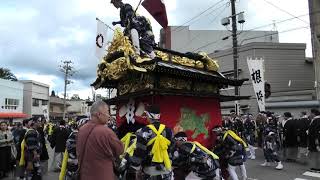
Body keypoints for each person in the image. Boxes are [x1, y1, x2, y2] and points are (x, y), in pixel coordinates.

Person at [77, 101, 124, 180]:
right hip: (102, 175)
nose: (108, 116)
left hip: (84, 175)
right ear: (99, 115)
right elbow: (120, 150)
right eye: (107, 113)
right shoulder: (106, 132)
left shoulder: (81, 130)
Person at [129, 105, 174, 180]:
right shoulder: (169, 131)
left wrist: (135, 166)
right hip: (167, 170)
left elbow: (139, 151)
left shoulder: (144, 131)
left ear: (148, 116)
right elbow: (172, 148)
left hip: (150, 171)